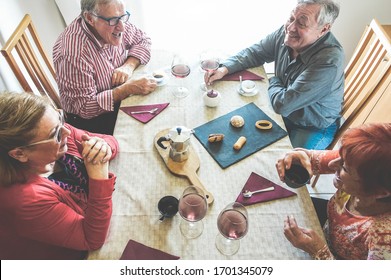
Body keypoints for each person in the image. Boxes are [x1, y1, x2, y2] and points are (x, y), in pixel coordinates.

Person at [205, 0, 344, 149]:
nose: (290, 28)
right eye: (291, 18)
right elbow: (255, 53)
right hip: (281, 106)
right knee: (231, 134)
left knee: (290, 170)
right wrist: (223, 69)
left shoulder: (328, 61)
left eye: (301, 24)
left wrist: (274, 80)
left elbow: (283, 105)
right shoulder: (288, 32)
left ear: (323, 29)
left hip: (311, 126)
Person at [0, 91, 119, 259]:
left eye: (60, 117)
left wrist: (103, 147)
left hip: (92, 212)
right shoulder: (26, 200)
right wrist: (98, 177)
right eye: (55, 134)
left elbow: (109, 140)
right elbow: (91, 239)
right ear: (20, 154)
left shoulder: (57, 131)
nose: (67, 132)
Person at [276, 123, 391, 259]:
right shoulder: (363, 164)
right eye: (340, 156)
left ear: (379, 192)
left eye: (345, 168)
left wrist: (319, 251)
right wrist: (299, 156)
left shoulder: (384, 239)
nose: (332, 164)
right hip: (327, 233)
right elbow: (313, 159)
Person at [53, 0, 157, 135]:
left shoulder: (114, 22)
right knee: (145, 134)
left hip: (117, 98)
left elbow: (143, 40)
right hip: (91, 123)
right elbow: (85, 108)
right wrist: (125, 90)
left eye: (123, 17)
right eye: (113, 20)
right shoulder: (73, 54)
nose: (122, 28)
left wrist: (128, 66)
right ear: (90, 18)